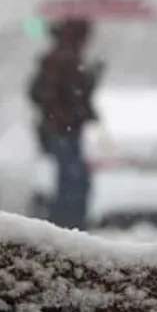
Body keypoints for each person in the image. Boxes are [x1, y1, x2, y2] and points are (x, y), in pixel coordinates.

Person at [28, 19, 101, 231]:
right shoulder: (63, 59)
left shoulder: (63, 57)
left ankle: (67, 224)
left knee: (72, 178)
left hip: (64, 128)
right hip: (63, 129)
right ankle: (68, 224)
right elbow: (65, 93)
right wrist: (66, 112)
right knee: (72, 180)